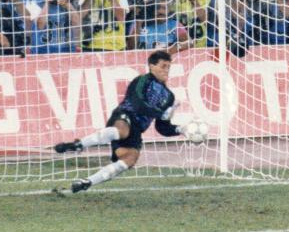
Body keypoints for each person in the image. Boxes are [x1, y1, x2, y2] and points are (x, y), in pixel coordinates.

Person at [53, 50, 192, 194]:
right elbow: (137, 103)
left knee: (130, 159)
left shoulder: (169, 96)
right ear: (151, 66)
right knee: (122, 131)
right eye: (163, 66)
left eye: (168, 67)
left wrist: (180, 129)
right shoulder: (142, 80)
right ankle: (78, 145)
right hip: (125, 115)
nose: (166, 70)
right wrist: (160, 112)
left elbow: (162, 127)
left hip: (137, 130)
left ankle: (87, 182)